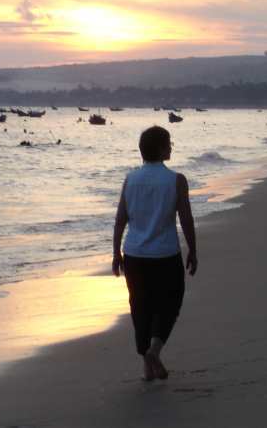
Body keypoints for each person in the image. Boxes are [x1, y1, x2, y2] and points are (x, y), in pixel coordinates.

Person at [112, 126, 197, 382]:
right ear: (160, 148)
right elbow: (186, 218)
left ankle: (146, 367)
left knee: (140, 307)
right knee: (170, 303)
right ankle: (154, 351)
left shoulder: (130, 179)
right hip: (165, 254)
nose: (171, 147)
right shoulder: (176, 180)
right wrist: (193, 249)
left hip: (135, 253)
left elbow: (120, 220)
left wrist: (116, 252)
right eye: (169, 143)